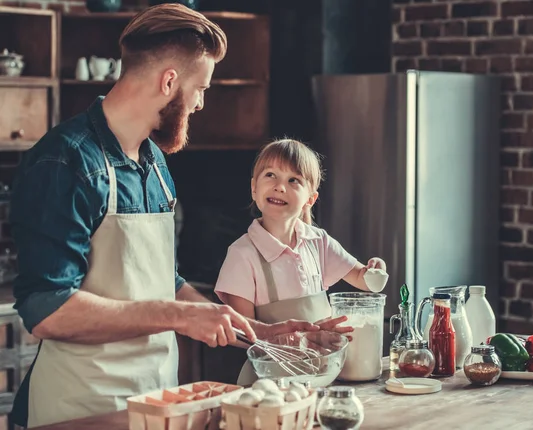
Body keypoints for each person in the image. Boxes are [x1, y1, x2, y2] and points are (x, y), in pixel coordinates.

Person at [8, 5, 342, 428]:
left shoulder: (154, 163)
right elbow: (47, 310)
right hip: (83, 408)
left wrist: (258, 332)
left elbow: (160, 281)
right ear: (169, 81)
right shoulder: (66, 162)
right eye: (200, 87)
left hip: (158, 403)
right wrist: (180, 316)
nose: (201, 103)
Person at [214, 139, 388, 384]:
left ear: (310, 199)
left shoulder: (319, 242)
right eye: (270, 175)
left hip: (321, 374)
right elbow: (241, 331)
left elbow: (364, 279)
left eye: (293, 180)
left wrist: (376, 269)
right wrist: (294, 338)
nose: (279, 187)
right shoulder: (243, 254)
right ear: (254, 188)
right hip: (270, 382)